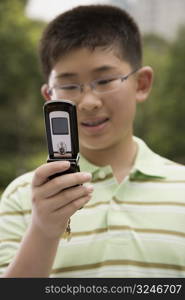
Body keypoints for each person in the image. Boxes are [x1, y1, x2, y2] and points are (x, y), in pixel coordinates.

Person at [0, 4, 185, 278]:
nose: (88, 102)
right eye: (69, 85)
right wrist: (42, 230)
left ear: (142, 83)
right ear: (50, 96)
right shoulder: (22, 196)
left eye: (105, 80)